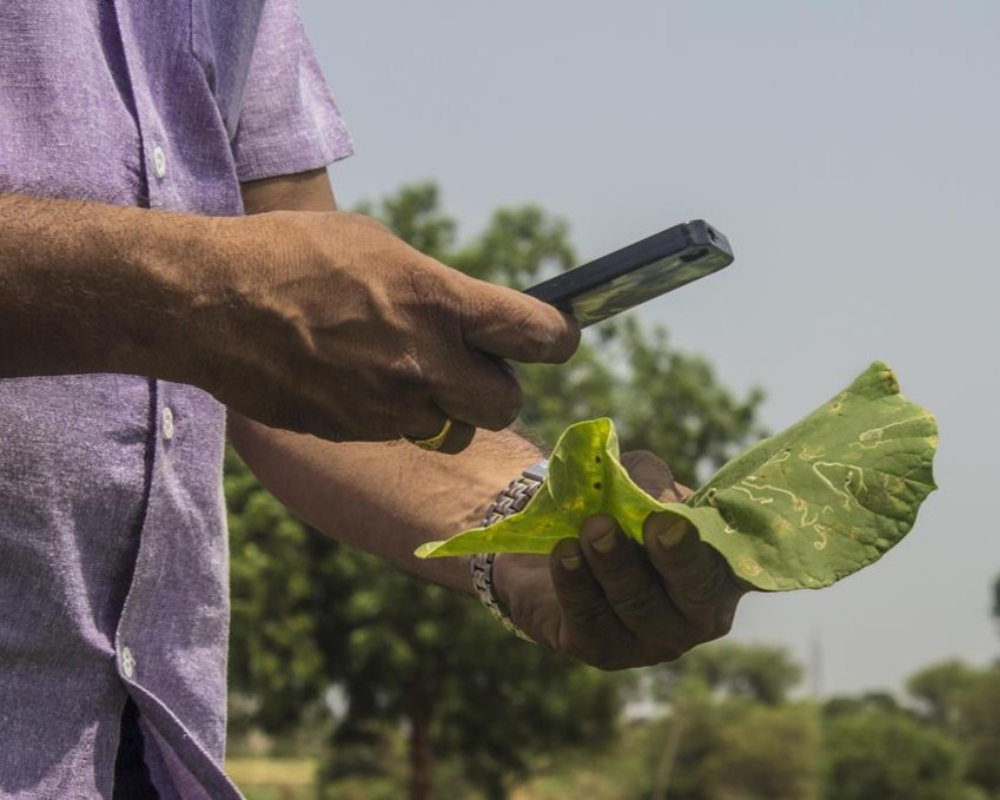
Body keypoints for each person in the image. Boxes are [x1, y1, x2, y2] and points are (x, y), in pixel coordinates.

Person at [0, 2, 747, 797]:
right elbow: (242, 307)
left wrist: (533, 531)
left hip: (145, 749)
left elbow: (294, 358)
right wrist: (196, 297)